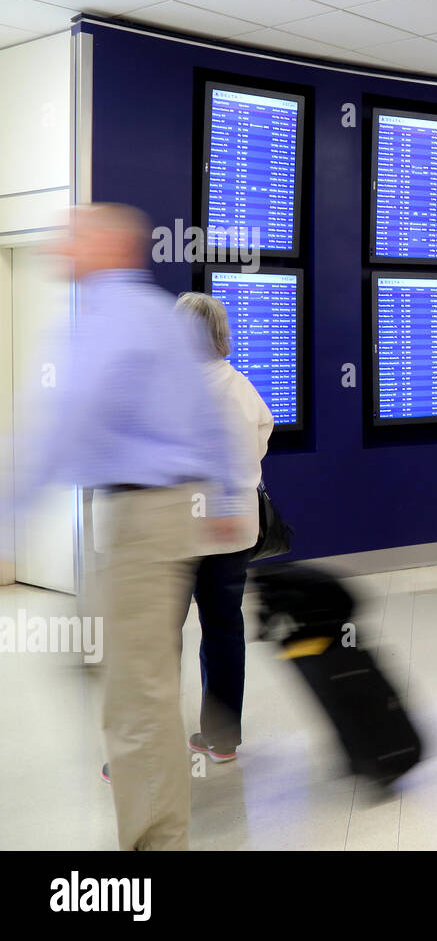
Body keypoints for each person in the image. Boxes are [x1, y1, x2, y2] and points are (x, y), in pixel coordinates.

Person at [7, 204, 239, 850]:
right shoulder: (160, 316)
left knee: (137, 698)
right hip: (166, 513)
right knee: (141, 679)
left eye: (74, 235)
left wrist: (9, 521)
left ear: (106, 246)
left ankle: (155, 847)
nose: (61, 246)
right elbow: (206, 416)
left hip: (141, 515)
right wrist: (219, 496)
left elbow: (64, 420)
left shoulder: (107, 319)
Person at [176, 292, 274, 763]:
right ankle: (222, 739)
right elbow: (260, 442)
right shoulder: (240, 386)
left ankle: (145, 750)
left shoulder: (166, 389)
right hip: (233, 533)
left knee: (158, 639)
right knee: (222, 630)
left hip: (176, 537)